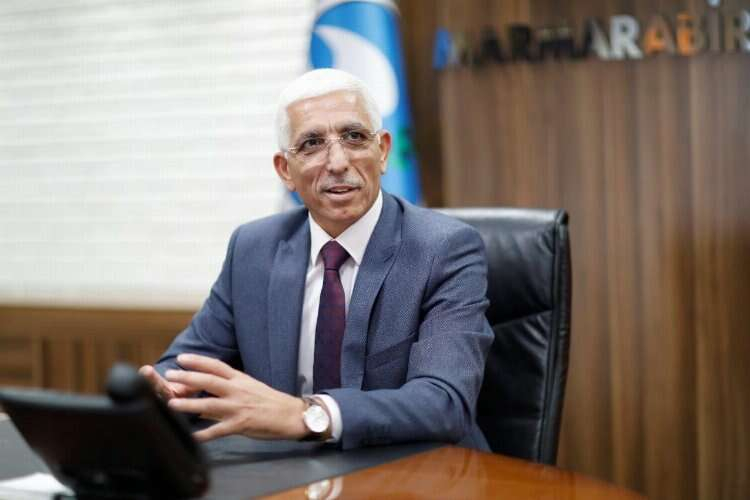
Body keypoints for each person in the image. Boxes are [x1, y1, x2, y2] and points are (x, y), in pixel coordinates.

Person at [139, 69, 494, 450]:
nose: (338, 162)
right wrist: (164, 390)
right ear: (285, 170)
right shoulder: (253, 250)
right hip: (293, 471)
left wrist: (308, 415)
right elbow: (188, 364)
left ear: (383, 150)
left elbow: (444, 402)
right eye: (312, 144)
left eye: (354, 137)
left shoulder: (444, 248)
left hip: (418, 469)